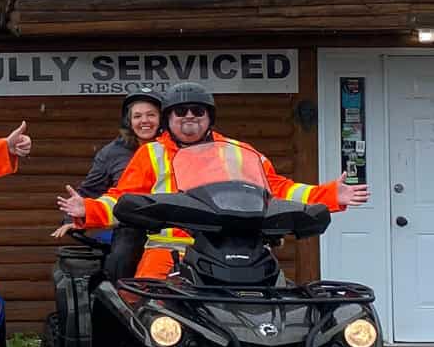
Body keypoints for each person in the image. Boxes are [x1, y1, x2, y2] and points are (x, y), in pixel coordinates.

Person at [56, 82, 368, 280]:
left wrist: (329, 194)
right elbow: (121, 197)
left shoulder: (238, 151)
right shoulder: (151, 154)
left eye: (197, 111)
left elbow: (280, 189)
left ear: (209, 118)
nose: (189, 117)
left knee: (277, 300)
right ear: (168, 119)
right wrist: (88, 209)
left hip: (237, 246)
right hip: (169, 248)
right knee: (142, 307)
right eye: (180, 112)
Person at [50, 91, 162, 240]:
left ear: (162, 119)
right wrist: (74, 220)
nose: (144, 121)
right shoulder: (112, 153)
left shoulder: (176, 147)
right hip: (127, 227)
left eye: (151, 115)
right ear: (128, 121)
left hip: (169, 226)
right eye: (137, 116)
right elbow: (89, 191)